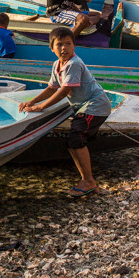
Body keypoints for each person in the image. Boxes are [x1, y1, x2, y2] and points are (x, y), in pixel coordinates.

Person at [18, 27, 113, 198]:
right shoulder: (57, 65)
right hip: (85, 107)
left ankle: (89, 181)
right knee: (72, 143)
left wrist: (41, 107)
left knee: (76, 139)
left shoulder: (74, 64)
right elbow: (51, 88)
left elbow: (64, 90)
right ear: (51, 48)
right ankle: (87, 180)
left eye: (68, 44)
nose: (64, 48)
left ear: (74, 46)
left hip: (95, 105)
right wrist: (31, 102)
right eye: (59, 44)